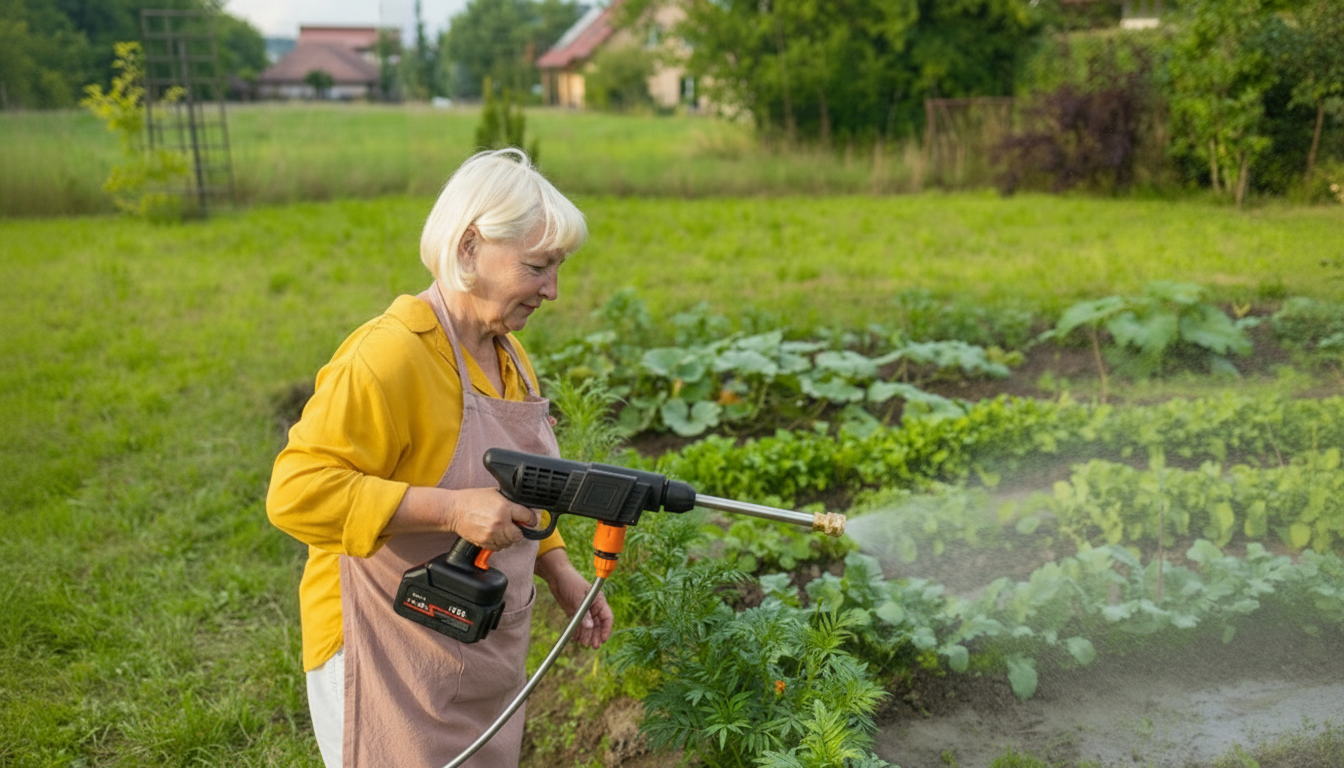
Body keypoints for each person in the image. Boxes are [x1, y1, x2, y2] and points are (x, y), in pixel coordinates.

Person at [266, 149, 613, 768]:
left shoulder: (507, 355)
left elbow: (515, 489)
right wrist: (450, 509)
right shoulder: (389, 356)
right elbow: (295, 492)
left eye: (558, 268)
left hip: (468, 644)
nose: (553, 291)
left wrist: (556, 566)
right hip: (382, 648)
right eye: (537, 266)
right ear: (469, 246)